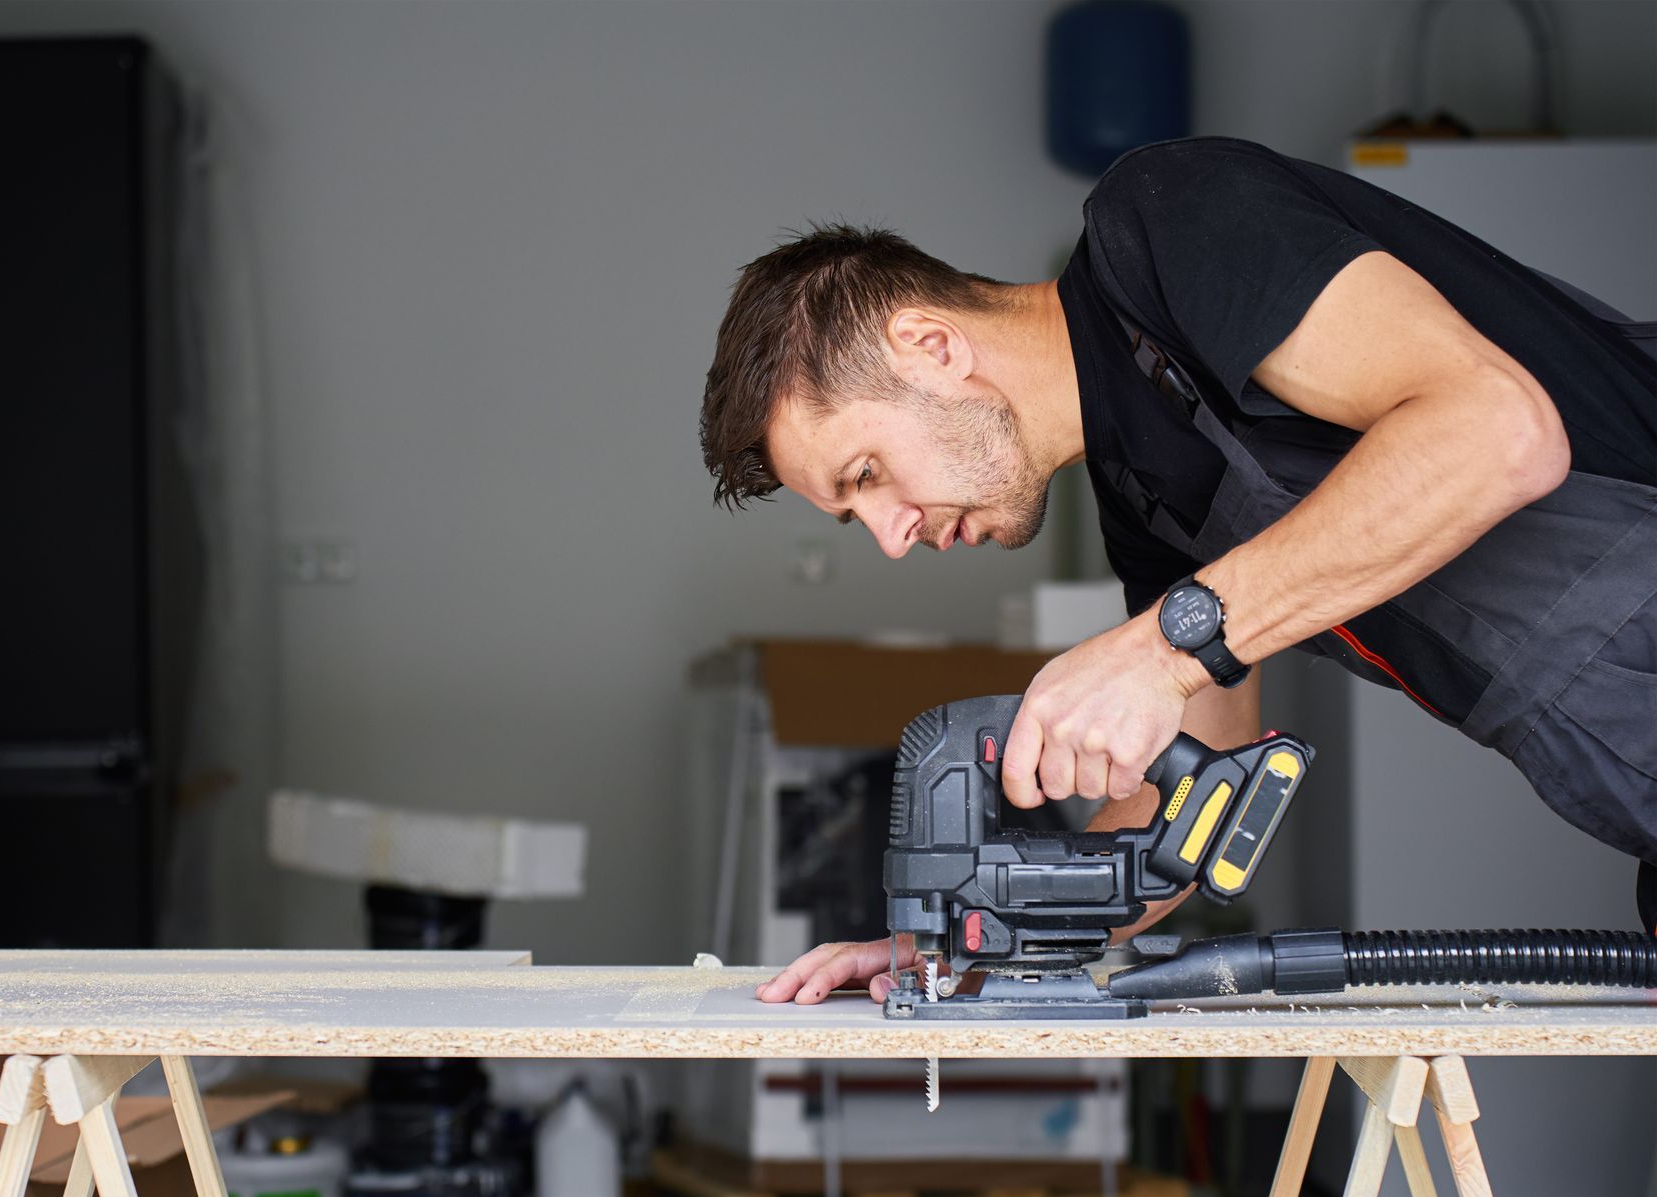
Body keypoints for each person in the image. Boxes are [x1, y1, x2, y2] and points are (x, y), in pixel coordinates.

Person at [695, 137, 1657, 1004]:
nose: (892, 537)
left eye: (867, 475)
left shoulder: (1170, 218)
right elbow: (1188, 806)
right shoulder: (1146, 501)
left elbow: (1495, 432)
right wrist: (971, 940)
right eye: (854, 512)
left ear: (933, 348)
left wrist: (1163, 651)